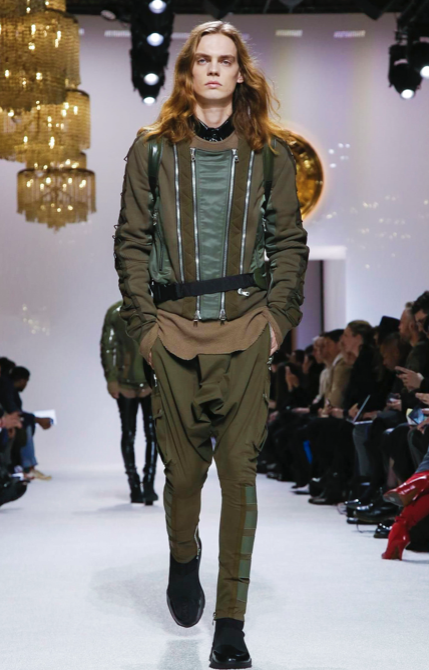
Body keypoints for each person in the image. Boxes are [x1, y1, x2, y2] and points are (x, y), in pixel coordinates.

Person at [114, 20, 308, 669]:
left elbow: (288, 241)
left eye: (227, 60)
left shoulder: (270, 154)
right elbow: (131, 242)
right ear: (188, 72)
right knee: (183, 477)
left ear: (240, 72)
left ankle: (231, 621)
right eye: (204, 59)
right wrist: (144, 328)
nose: (216, 69)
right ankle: (183, 555)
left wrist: (277, 319)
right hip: (171, 334)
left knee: (239, 475)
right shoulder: (150, 150)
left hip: (247, 331)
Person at [100, 301, 158, 505]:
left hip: (148, 381)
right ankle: (137, 485)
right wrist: (111, 379)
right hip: (131, 381)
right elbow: (108, 347)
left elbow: (108, 348)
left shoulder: (154, 308)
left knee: (147, 433)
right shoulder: (116, 312)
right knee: (134, 433)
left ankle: (146, 484)